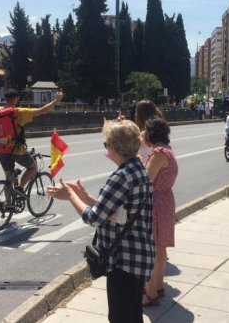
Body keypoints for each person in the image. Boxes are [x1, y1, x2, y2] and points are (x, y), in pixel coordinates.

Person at [47, 120, 154, 323]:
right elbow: (118, 213)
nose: (106, 149)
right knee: (132, 315)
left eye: (107, 145)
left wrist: (71, 195)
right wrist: (85, 196)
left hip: (123, 260)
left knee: (120, 317)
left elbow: (94, 218)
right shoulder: (138, 170)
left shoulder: (121, 176)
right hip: (139, 255)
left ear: (115, 147)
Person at [0, 88, 64, 192]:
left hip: (1, 149)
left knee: (9, 178)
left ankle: (9, 204)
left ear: (6, 99)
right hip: (16, 150)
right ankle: (20, 188)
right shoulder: (20, 112)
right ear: (16, 99)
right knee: (33, 167)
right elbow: (42, 110)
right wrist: (57, 100)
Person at [141, 118, 178, 307]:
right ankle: (159, 285)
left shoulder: (158, 153)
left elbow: (145, 179)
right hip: (165, 199)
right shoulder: (167, 150)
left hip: (156, 201)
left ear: (150, 134)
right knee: (160, 247)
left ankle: (151, 292)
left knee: (154, 248)